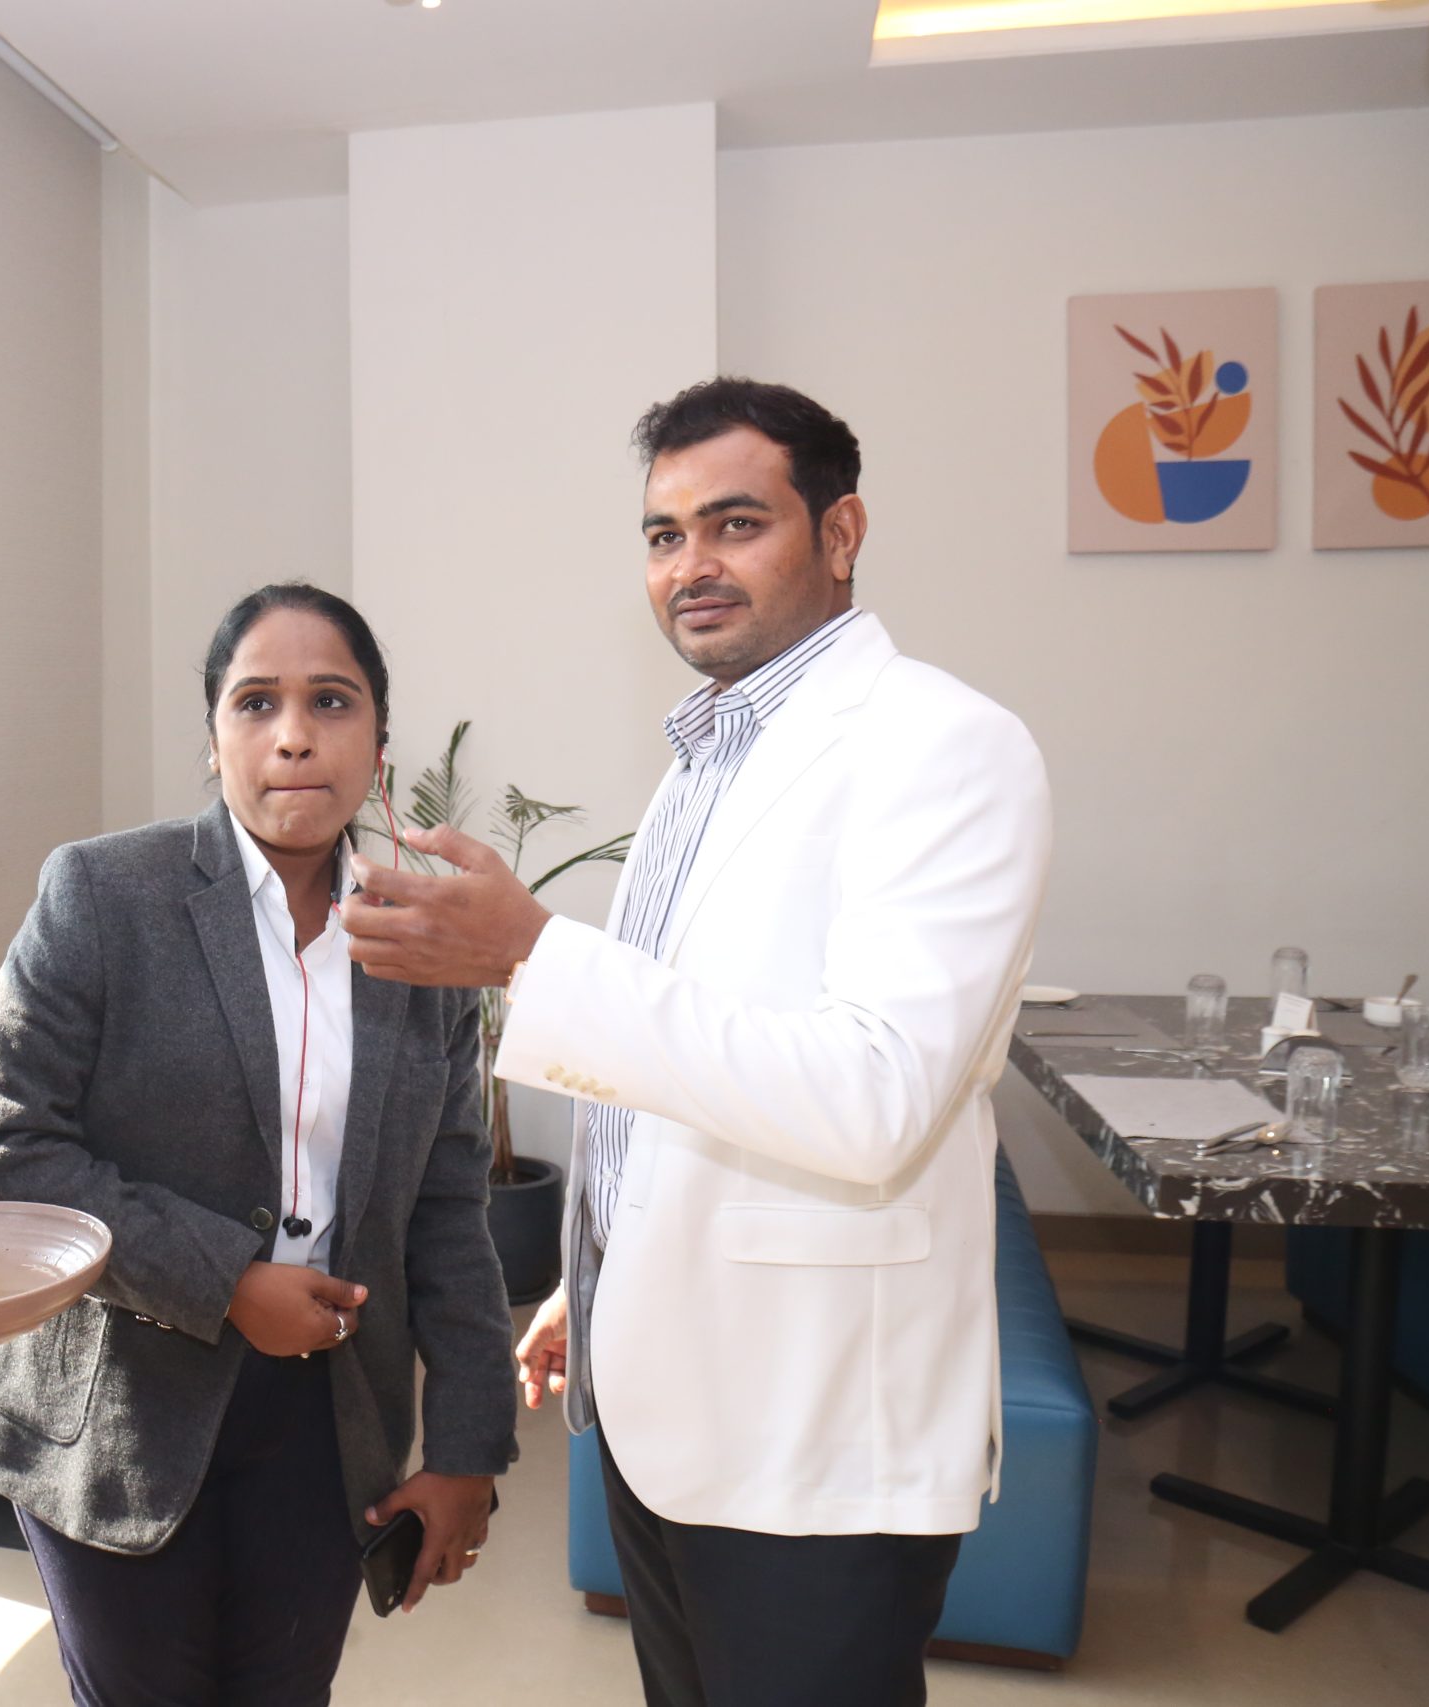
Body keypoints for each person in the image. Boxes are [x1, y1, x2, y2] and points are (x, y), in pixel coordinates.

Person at [340, 378, 1053, 1707]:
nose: (691, 566)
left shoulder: (943, 745)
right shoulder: (703, 760)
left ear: (841, 532)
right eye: (664, 535)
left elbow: (873, 1096)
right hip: (664, 1402)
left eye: (735, 523)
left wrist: (529, 954)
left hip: (813, 1434)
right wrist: (602, 1269)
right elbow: (690, 1056)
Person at [0, 583, 518, 1707]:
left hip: (330, 1426)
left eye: (331, 701)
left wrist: (467, 1448)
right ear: (213, 742)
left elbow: (448, 1210)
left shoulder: (425, 945)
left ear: (379, 743)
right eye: (256, 703)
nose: (293, 735)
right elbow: (4, 1145)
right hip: (119, 1410)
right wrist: (229, 1281)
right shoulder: (104, 894)